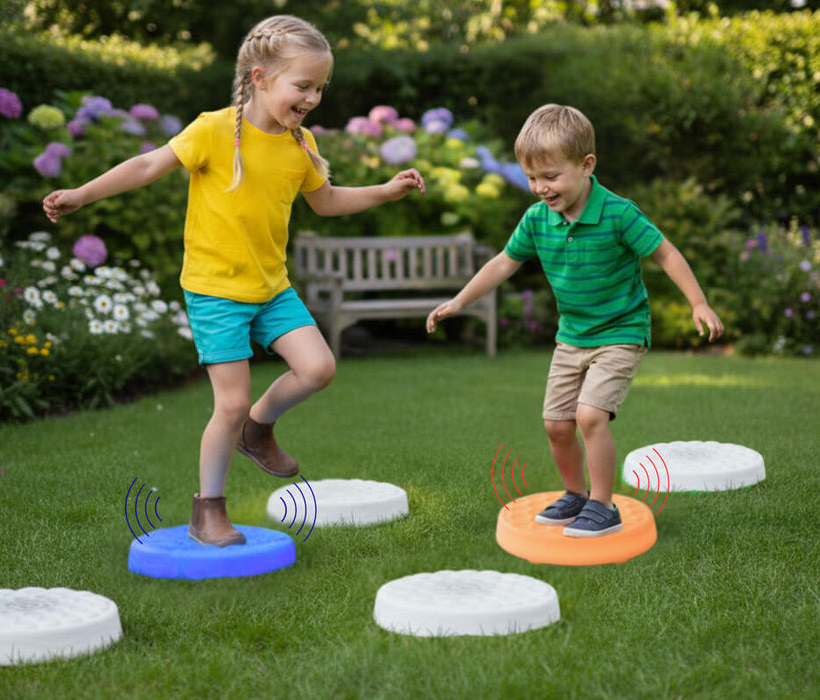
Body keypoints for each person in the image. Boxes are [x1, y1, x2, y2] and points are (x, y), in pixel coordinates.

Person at [43, 15, 425, 547]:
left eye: (319, 87)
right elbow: (147, 165)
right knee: (228, 402)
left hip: (271, 288)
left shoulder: (300, 143)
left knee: (318, 367)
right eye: (303, 85)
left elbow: (328, 200)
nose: (312, 97)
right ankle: (209, 510)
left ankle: (258, 428)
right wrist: (81, 195)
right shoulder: (213, 131)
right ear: (261, 77)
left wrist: (385, 190)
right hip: (216, 291)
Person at [427, 104, 723, 537]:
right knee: (556, 424)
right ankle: (576, 495)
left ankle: (604, 506)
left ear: (587, 166)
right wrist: (459, 301)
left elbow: (664, 252)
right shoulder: (537, 219)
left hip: (621, 332)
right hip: (572, 336)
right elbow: (503, 264)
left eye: (550, 177)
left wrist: (698, 302)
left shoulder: (619, 213)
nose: (540, 188)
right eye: (531, 178)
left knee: (589, 416)